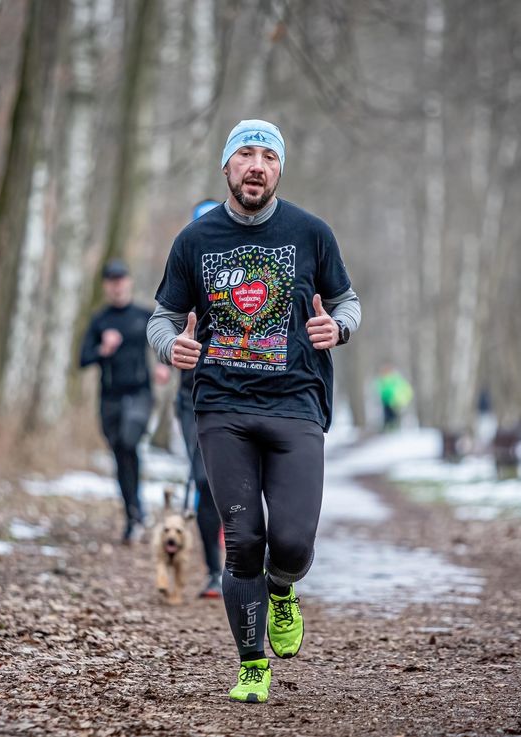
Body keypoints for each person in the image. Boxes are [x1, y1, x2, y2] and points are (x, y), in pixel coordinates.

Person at [147, 119, 361, 703]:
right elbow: (162, 317)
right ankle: (251, 664)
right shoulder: (195, 240)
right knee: (243, 540)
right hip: (222, 407)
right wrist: (173, 345)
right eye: (246, 153)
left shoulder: (311, 233)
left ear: (279, 169)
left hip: (296, 403)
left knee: (290, 542)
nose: (256, 165)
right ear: (227, 166)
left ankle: (283, 591)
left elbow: (348, 301)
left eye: (268, 155)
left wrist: (335, 327)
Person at [80, 259, 157, 544]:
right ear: (106, 286)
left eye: (121, 279)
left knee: (128, 442)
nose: (117, 285)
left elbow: (164, 342)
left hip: (140, 394)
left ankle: (135, 511)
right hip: (109, 397)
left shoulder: (143, 315)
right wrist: (103, 348)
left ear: (129, 282)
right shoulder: (100, 320)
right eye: (111, 281)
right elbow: (83, 358)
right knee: (121, 454)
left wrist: (165, 365)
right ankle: (133, 514)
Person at [177, 198, 224, 598]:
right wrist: (168, 350)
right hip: (190, 395)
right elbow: (163, 321)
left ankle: (247, 556)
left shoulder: (243, 271)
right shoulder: (183, 268)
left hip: (237, 393)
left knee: (243, 480)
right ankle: (214, 570)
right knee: (204, 480)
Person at [374, 365, 413, 431]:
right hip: (386, 401)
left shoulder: (395, 379)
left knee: (393, 416)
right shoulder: (382, 380)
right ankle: (390, 428)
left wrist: (402, 399)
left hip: (394, 401)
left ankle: (394, 429)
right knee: (388, 416)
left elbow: (404, 389)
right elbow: (380, 390)